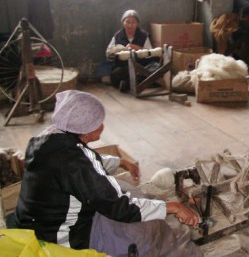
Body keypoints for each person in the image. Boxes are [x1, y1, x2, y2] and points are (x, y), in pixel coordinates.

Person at [14, 90, 203, 257]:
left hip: (39, 225)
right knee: (153, 231)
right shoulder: (75, 161)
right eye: (98, 123)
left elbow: (85, 166)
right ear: (86, 129)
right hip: (64, 241)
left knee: (140, 197)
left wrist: (120, 162)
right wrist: (172, 207)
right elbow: (120, 208)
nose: (102, 127)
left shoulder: (46, 139)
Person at [106, 9, 159, 92]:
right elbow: (108, 54)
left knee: (156, 67)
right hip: (124, 68)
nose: (130, 25)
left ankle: (127, 84)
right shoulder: (117, 36)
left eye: (133, 22)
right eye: (127, 22)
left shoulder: (143, 35)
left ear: (137, 24)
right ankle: (141, 83)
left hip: (142, 66)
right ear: (123, 22)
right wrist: (116, 51)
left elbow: (151, 53)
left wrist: (137, 48)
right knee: (116, 74)